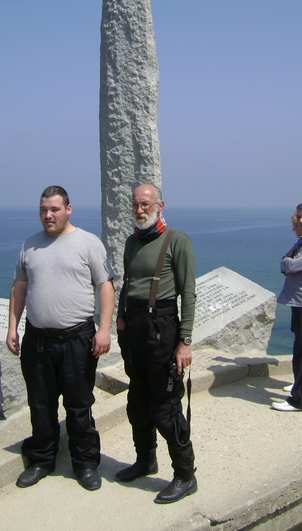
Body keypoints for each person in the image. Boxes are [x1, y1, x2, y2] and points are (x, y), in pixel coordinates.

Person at [6, 186, 115, 490]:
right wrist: (12, 327)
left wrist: (104, 330)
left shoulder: (88, 243)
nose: (48, 215)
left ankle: (85, 463)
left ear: (68, 209)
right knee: (40, 404)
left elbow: (105, 287)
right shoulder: (30, 245)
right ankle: (42, 459)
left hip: (77, 340)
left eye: (54, 209)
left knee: (79, 404)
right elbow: (19, 288)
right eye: (43, 209)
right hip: (37, 340)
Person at [115, 183, 197, 504]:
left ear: (160, 205)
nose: (140, 209)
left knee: (165, 406)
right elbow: (128, 282)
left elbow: (188, 293)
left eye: (146, 204)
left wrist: (185, 342)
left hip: (162, 328)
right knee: (137, 401)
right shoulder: (131, 242)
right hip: (134, 331)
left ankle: (185, 474)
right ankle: (145, 460)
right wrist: (121, 319)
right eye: (135, 204)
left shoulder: (177, 241)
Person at [272, 202, 302, 411]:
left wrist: (289, 262)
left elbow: (291, 265)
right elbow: (286, 261)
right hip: (299, 301)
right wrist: (288, 261)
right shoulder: (301, 242)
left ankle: (299, 399)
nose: (301, 221)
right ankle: (301, 386)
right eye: (299, 217)